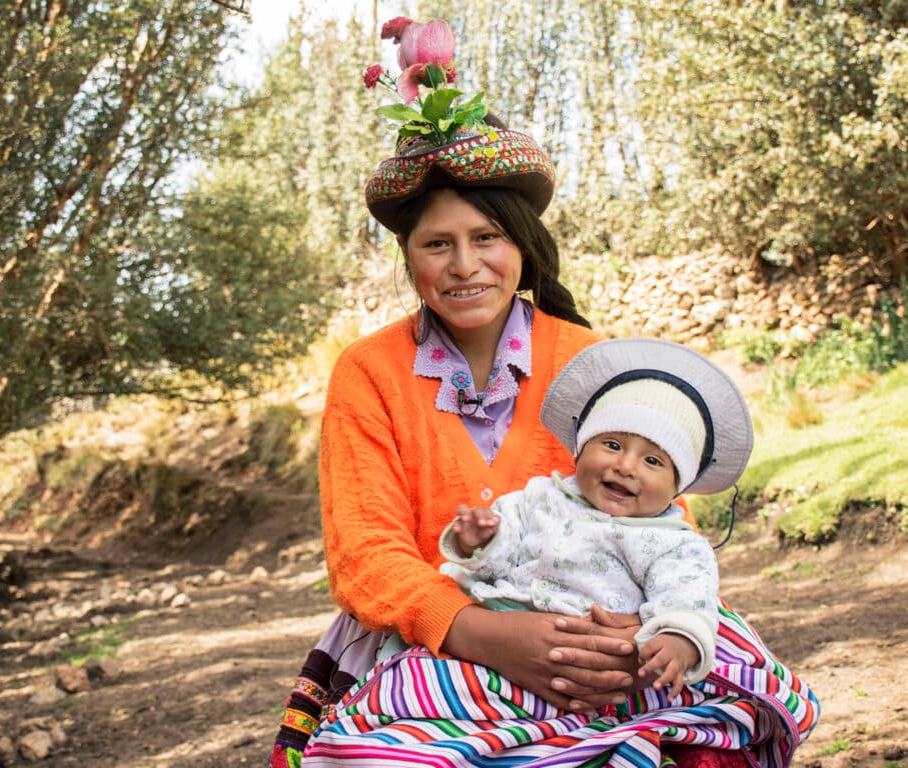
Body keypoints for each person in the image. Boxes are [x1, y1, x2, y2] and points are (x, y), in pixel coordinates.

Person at [269, 16, 818, 768]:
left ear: (523, 245)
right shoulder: (368, 372)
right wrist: (488, 636)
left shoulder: (589, 360)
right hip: (437, 642)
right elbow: (366, 554)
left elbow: (657, 511)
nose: (466, 266)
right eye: (438, 244)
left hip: (608, 631)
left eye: (487, 238)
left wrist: (637, 633)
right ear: (408, 254)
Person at [438, 338, 751, 703]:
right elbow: (498, 563)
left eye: (653, 461)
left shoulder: (674, 543)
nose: (625, 466)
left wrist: (677, 639)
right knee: (428, 684)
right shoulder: (539, 497)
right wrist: (480, 540)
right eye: (612, 445)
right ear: (580, 450)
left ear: (676, 486)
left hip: (603, 665)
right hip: (503, 638)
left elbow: (685, 597)